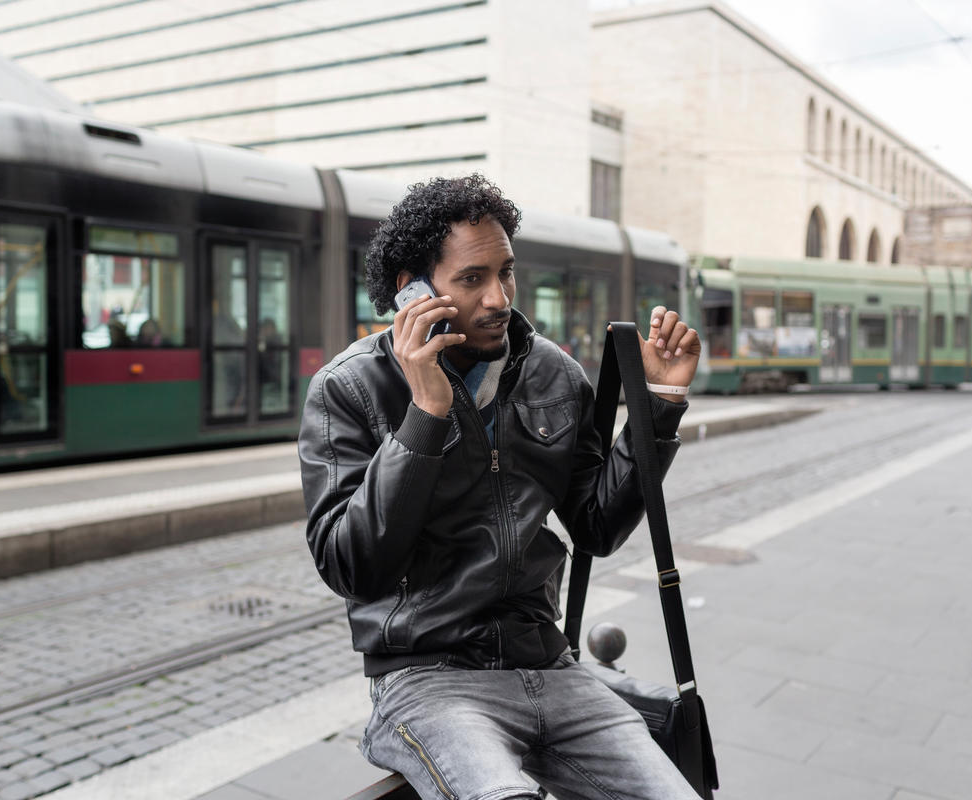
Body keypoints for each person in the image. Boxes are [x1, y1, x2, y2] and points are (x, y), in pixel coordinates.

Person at [298, 175, 702, 800]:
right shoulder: (349, 389)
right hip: (429, 681)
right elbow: (354, 567)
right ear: (413, 289)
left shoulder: (553, 374)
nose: (498, 299)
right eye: (471, 279)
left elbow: (596, 526)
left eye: (505, 273)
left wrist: (661, 406)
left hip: (550, 666)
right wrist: (425, 416)